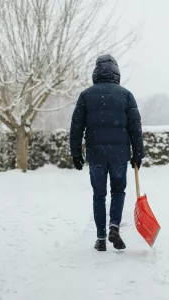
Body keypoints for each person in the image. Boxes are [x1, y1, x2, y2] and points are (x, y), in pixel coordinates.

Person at [69, 54, 145, 251]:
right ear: (117, 73)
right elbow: (135, 128)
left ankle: (101, 238)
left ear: (96, 72)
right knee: (118, 191)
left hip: (96, 155)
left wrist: (76, 153)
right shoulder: (126, 95)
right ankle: (114, 227)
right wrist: (138, 153)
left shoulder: (86, 96)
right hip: (120, 155)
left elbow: (76, 127)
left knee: (99, 195)